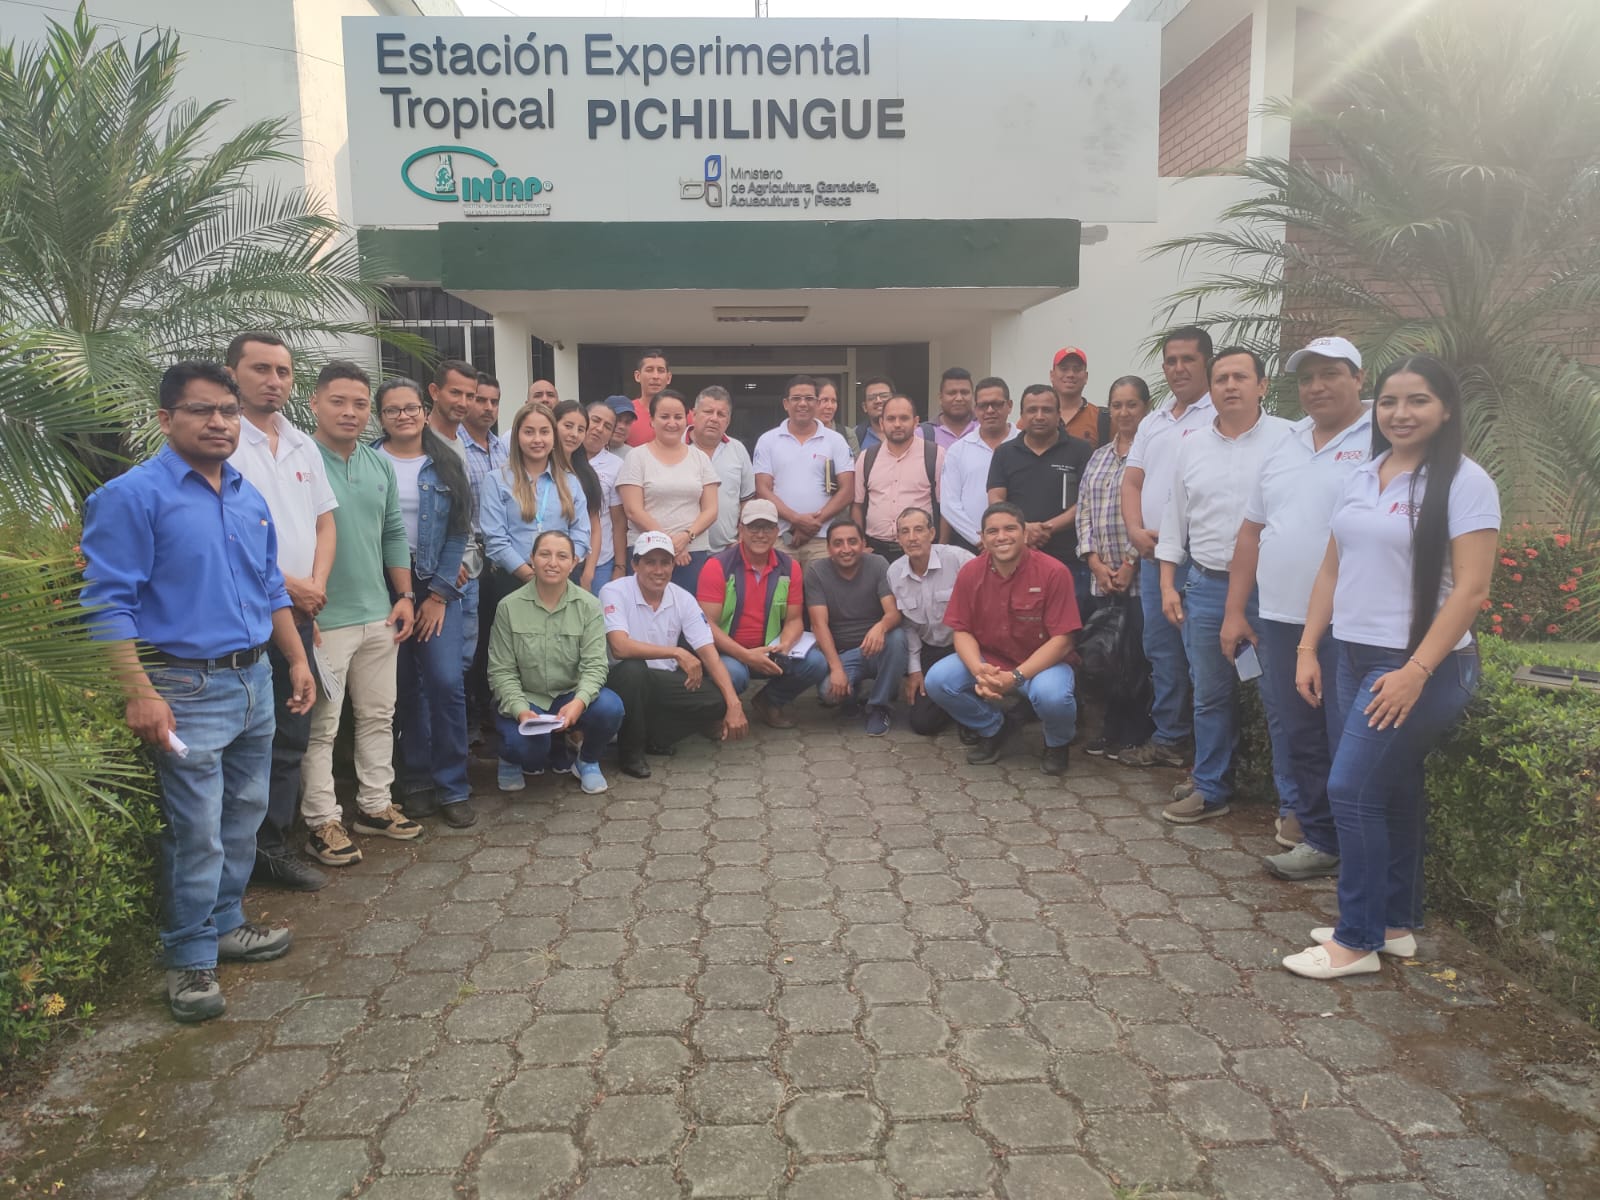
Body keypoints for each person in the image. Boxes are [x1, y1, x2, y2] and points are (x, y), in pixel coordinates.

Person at [82, 360, 315, 1022]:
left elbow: (269, 588)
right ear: (166, 419)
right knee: (197, 832)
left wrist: (295, 660)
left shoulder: (245, 494)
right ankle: (188, 958)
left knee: (244, 815)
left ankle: (226, 923)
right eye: (201, 410)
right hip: (185, 685)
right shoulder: (131, 497)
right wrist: (139, 690)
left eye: (228, 411)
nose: (219, 422)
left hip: (254, 678)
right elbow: (107, 603)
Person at [1283, 355, 1498, 980]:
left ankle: (1355, 941)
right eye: (1389, 401)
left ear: (1446, 408)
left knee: (1351, 791)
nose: (1401, 413)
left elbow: (1472, 590)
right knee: (1392, 789)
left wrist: (1416, 671)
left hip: (1422, 665)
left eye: (1418, 400)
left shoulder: (1465, 482)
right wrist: (1308, 647)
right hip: (1351, 654)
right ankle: (1393, 925)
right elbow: (1332, 568)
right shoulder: (1364, 473)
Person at [1223, 337, 1371, 880]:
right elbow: (1251, 531)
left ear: (1359, 378)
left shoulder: (1383, 436)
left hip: (1349, 621)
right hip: (1282, 618)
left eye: (1330, 374)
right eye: (1307, 378)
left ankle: (1362, 851)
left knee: (1347, 738)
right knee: (1301, 735)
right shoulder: (1286, 444)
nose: (1316, 387)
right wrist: (1235, 611)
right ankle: (1319, 840)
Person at [1155, 348, 1292, 824]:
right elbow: (1174, 519)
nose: (1230, 386)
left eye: (1240, 377)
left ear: (1262, 385)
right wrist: (1168, 584)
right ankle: (1211, 788)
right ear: (1210, 389)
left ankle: (1295, 807)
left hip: (1272, 592)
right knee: (1210, 694)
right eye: (1221, 379)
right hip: (1207, 587)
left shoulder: (1291, 440)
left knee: (1281, 700)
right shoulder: (1191, 446)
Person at [223, 331, 334, 893]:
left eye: (283, 371)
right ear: (232, 374)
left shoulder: (300, 444)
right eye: (261, 369)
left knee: (292, 732)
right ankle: (241, 855)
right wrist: (290, 586)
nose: (274, 381)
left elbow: (324, 523)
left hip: (301, 611)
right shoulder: (223, 442)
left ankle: (274, 846)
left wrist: (315, 586)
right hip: (247, 613)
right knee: (248, 740)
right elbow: (228, 536)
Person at [302, 362, 419, 868]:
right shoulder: (300, 461)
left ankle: (373, 806)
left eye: (359, 404)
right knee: (322, 726)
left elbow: (393, 532)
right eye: (338, 401)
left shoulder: (377, 464)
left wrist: (404, 594)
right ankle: (321, 821)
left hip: (379, 613)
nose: (350, 412)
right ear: (314, 403)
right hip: (323, 617)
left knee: (378, 716)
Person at [373, 378, 476, 828]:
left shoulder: (446, 460)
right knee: (402, 686)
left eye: (411, 408)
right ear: (381, 417)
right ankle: (416, 781)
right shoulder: (368, 461)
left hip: (437, 580)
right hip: (382, 584)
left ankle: (453, 785)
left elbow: (459, 529)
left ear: (423, 409)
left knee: (445, 681)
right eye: (393, 410)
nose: (404, 416)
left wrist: (437, 595)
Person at [1117, 325, 1216, 769]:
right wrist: (1135, 530)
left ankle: (1209, 753)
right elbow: (1132, 482)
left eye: (1188, 359)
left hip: (1200, 558)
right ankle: (1170, 737)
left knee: (1203, 656)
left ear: (1206, 362)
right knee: (1161, 649)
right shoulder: (1153, 422)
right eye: (1171, 361)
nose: (1178, 368)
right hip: (1153, 555)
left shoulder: (1218, 416)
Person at [924, 502, 1082, 775]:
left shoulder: (1054, 572)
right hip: (991, 660)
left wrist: (1016, 677)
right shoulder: (970, 572)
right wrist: (979, 670)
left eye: (1010, 529)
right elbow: (961, 630)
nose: (1001, 537)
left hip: (1043, 664)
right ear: (983, 538)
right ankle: (994, 727)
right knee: (938, 681)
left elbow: (1063, 640)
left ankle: (1057, 743)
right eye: (992, 531)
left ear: (1025, 533)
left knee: (1052, 696)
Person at [601, 532, 749, 778]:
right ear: (635, 565)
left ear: (673, 565)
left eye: (665, 562)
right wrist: (676, 652)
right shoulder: (614, 591)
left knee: (719, 699)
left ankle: (655, 737)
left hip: (661, 680)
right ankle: (630, 754)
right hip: (621, 679)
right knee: (634, 669)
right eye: (650, 562)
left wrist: (734, 704)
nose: (659, 570)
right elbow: (619, 647)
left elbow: (709, 653)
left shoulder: (683, 598)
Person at [489, 530, 625, 796]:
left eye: (562, 556)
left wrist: (579, 702)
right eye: (545, 554)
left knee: (611, 708)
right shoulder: (508, 607)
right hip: (527, 698)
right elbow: (501, 671)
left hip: (569, 695)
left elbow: (596, 666)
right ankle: (511, 758)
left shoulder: (589, 605)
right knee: (528, 749)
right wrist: (520, 711)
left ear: (574, 563)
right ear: (532, 559)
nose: (553, 563)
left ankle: (587, 760)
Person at [695, 498, 831, 729]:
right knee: (734, 674)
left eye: (767, 527)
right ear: (741, 530)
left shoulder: (790, 567)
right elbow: (706, 626)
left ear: (777, 531)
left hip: (770, 650)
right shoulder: (717, 566)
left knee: (816, 663)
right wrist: (746, 655)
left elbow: (794, 620)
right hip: (728, 652)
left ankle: (768, 702)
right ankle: (717, 713)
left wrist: (784, 646)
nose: (761, 534)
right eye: (753, 527)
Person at [1075, 375, 1156, 758]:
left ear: (1146, 408)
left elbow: (1153, 513)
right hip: (1102, 578)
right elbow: (1084, 513)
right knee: (1105, 657)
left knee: (1136, 657)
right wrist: (1093, 561)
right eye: (1118, 405)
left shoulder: (1153, 456)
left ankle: (1135, 732)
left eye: (1132, 404)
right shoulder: (1098, 457)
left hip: (1137, 579)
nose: (1124, 413)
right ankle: (1109, 729)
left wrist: (1129, 564)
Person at [986, 383, 1095, 615]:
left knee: (1068, 626)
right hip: (1017, 558)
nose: (1039, 416)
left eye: (1046, 410)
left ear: (1058, 414)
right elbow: (996, 498)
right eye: (1032, 410)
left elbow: (1086, 503)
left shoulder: (1081, 450)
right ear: (1021, 415)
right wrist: (1023, 529)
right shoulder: (1004, 453)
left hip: (1069, 559)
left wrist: (1046, 528)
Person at [480, 402, 591, 609]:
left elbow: (581, 532)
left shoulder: (570, 482)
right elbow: (495, 539)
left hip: (562, 581)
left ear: (554, 436)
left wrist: (561, 571)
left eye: (544, 432)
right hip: (513, 582)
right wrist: (531, 577)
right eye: (529, 432)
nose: (537, 439)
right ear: (517, 436)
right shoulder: (496, 481)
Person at [806, 519, 908, 736]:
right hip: (843, 653)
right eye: (838, 543)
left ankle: (879, 706)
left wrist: (881, 627)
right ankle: (853, 694)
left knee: (898, 637)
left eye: (852, 542)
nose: (846, 549)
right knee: (828, 694)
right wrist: (836, 669)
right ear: (828, 548)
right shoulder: (816, 572)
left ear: (863, 543)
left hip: (877, 648)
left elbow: (893, 613)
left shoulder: (878, 564)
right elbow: (819, 624)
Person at [617, 388, 721, 590]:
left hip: (692, 553)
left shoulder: (700, 458)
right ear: (652, 420)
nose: (672, 423)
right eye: (664, 417)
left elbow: (711, 510)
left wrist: (686, 537)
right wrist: (669, 544)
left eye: (678, 417)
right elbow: (633, 510)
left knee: (688, 607)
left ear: (686, 420)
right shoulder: (636, 457)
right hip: (647, 552)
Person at [753, 374, 857, 565]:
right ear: (786, 404)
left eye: (809, 398)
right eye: (796, 398)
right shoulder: (768, 440)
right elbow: (762, 489)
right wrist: (796, 520)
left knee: (821, 586)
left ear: (817, 403)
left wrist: (812, 524)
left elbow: (848, 490)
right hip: (781, 537)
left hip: (824, 539)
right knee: (781, 585)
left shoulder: (836, 440)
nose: (803, 403)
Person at [888, 507, 975, 736]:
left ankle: (971, 712)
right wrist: (915, 670)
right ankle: (954, 701)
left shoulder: (959, 559)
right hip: (930, 650)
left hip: (966, 647)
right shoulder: (894, 573)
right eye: (905, 532)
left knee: (964, 692)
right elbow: (908, 627)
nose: (912, 538)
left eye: (919, 530)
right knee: (922, 723)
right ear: (898, 539)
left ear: (932, 533)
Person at [461, 372, 509, 743]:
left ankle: (493, 711)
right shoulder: (454, 446)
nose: (488, 407)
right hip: (467, 556)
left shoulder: (502, 448)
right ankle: (470, 718)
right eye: (481, 400)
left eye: (494, 401)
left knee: (496, 637)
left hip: (500, 558)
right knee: (470, 642)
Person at [852, 395, 944, 562]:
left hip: (921, 550)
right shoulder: (867, 457)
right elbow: (857, 505)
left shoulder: (935, 454)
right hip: (876, 551)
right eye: (891, 419)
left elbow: (945, 506)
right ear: (882, 423)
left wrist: (941, 547)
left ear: (916, 422)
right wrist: (860, 544)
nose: (897, 424)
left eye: (904, 418)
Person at [939, 376, 1017, 554]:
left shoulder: (1024, 443)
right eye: (983, 405)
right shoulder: (958, 450)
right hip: (971, 545)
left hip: (1019, 544)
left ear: (1009, 405)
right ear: (975, 409)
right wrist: (981, 539)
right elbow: (949, 504)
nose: (990, 410)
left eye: (996, 404)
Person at [690, 386, 757, 553]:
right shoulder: (677, 447)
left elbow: (747, 499)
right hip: (685, 550)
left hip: (728, 550)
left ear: (728, 421)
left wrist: (743, 536)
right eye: (708, 412)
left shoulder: (738, 450)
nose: (714, 419)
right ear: (694, 415)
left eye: (721, 414)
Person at [554, 399, 606, 591]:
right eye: (568, 426)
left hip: (575, 565)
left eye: (581, 429)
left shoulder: (586, 475)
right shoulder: (539, 471)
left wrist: (588, 572)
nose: (574, 434)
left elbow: (595, 527)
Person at [582, 400, 629, 591]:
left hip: (602, 560)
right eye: (595, 420)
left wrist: (620, 566)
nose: (600, 428)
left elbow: (619, 522)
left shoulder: (616, 465)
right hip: (562, 558)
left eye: (608, 426)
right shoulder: (561, 458)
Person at [1050, 347, 1107, 448]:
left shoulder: (1102, 419)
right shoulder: (1037, 415)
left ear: (1086, 376)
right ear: (1052, 375)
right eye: (1064, 369)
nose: (1070, 374)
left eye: (1077, 369)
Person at [625, 349, 673, 447]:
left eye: (660, 370)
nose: (655, 376)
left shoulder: (682, 414)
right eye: (649, 370)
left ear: (668, 378)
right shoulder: (626, 412)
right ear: (637, 376)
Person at [930, 367, 976, 449]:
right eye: (952, 393)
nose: (959, 398)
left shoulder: (984, 428)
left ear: (973, 396)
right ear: (940, 398)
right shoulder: (922, 434)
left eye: (964, 392)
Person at [818, 378, 860, 455]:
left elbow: (855, 462)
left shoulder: (848, 435)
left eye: (833, 401)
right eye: (825, 400)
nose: (830, 406)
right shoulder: (801, 435)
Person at [855, 375, 894, 452]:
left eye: (884, 396)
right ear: (864, 407)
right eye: (872, 398)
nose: (878, 401)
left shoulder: (914, 432)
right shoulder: (854, 436)